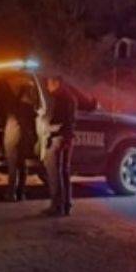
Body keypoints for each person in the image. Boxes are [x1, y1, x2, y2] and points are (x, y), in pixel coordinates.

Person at [43, 75, 76, 217]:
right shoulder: (71, 97)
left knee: (54, 173)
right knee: (64, 172)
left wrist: (47, 128)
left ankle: (56, 206)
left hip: (58, 138)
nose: (47, 87)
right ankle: (66, 204)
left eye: (49, 84)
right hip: (68, 138)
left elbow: (58, 122)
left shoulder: (58, 98)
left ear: (56, 83)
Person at [3, 80, 38, 201]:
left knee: (12, 166)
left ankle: (11, 193)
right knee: (22, 165)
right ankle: (21, 193)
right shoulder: (30, 106)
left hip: (13, 136)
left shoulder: (15, 104)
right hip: (23, 138)